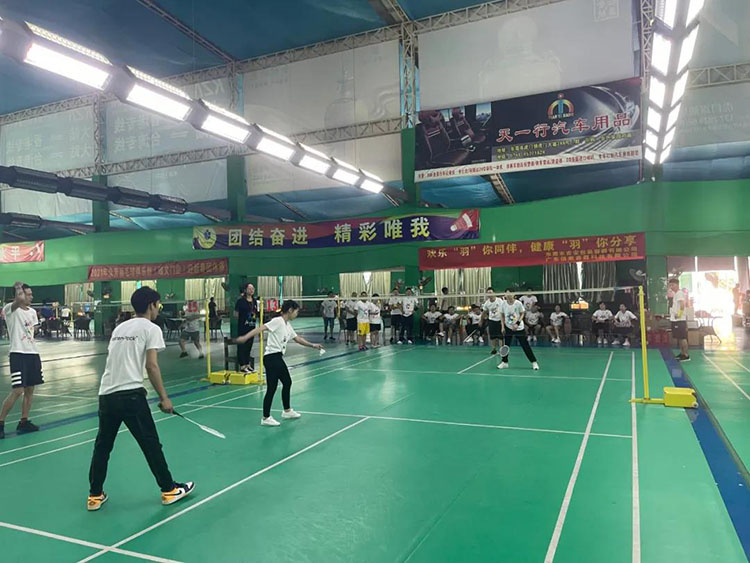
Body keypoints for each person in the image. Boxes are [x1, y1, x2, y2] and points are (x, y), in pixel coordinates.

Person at [87, 287, 194, 511]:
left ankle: (95, 495)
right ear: (151, 305)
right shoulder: (151, 328)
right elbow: (151, 366)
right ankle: (169, 490)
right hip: (131, 396)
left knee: (103, 446)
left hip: (106, 394)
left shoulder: (120, 328)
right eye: (158, 305)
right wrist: (164, 398)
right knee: (150, 444)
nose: (158, 309)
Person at [235, 300, 323, 426]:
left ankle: (286, 411)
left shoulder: (287, 325)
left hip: (276, 357)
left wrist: (313, 345)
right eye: (296, 312)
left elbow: (297, 338)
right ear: (290, 310)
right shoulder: (278, 321)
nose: (296, 314)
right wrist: (245, 337)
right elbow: (261, 328)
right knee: (276, 386)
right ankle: (266, 417)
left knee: (284, 383)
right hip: (272, 357)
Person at [0, 282, 42, 439]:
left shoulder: (32, 312)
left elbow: (32, 329)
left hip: (32, 353)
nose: (31, 297)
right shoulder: (10, 309)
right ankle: (0, 422)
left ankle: (24, 421)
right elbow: (17, 300)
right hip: (18, 354)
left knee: (30, 389)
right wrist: (18, 288)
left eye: (31, 294)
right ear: (20, 295)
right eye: (28, 294)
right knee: (18, 390)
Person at [498, 291, 539, 370]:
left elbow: (522, 313)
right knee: (506, 346)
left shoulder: (518, 303)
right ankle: (504, 362)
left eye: (510, 293)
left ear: (514, 294)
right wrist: (502, 327)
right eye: (507, 293)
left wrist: (517, 323)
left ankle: (534, 362)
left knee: (525, 345)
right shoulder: (503, 303)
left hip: (519, 328)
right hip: (508, 327)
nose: (508, 295)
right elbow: (502, 315)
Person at [234, 283, 258, 372]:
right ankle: (242, 365)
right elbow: (235, 314)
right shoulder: (240, 301)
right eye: (249, 288)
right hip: (243, 327)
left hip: (252, 327)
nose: (251, 290)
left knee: (249, 346)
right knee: (242, 346)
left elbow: (257, 312)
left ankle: (247, 364)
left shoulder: (255, 301)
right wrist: (243, 319)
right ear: (245, 290)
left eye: (253, 288)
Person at [669, 278, 690, 361]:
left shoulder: (680, 293)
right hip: (675, 319)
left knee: (682, 338)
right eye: (670, 285)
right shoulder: (676, 294)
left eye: (672, 285)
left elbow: (682, 305)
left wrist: (679, 314)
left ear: (677, 285)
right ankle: (682, 353)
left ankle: (686, 355)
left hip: (680, 320)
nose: (671, 287)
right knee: (679, 338)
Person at [482, 287, 503, 355]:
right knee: (492, 336)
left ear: (494, 293)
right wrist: (481, 320)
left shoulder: (499, 300)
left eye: (491, 292)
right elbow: (484, 312)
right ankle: (494, 349)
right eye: (488, 293)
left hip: (499, 320)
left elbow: (503, 309)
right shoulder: (487, 303)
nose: (490, 294)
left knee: (500, 336)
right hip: (491, 321)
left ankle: (501, 350)